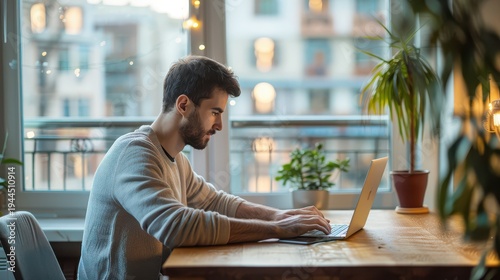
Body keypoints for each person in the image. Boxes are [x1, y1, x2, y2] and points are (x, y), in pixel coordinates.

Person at [77, 55, 331, 280]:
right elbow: (176, 226)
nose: (219, 125)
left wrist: (280, 216)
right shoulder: (134, 154)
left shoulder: (177, 161)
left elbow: (216, 203)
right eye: (215, 112)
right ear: (184, 105)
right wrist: (277, 230)